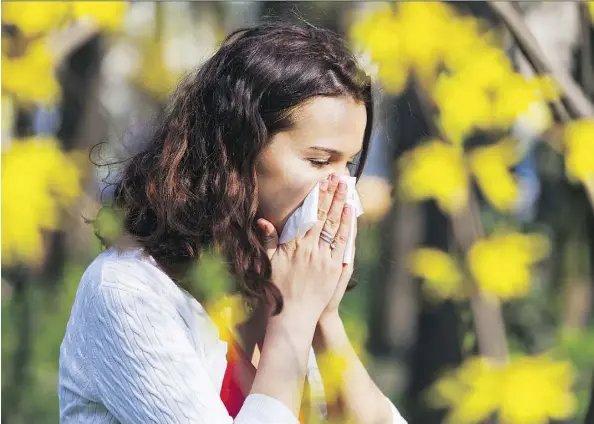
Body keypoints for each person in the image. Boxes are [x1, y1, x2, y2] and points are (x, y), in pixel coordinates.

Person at [59, 21, 407, 424]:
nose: (341, 188)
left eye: (349, 164)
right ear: (238, 151)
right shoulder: (127, 291)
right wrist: (292, 320)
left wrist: (323, 319)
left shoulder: (274, 286)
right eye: (318, 161)